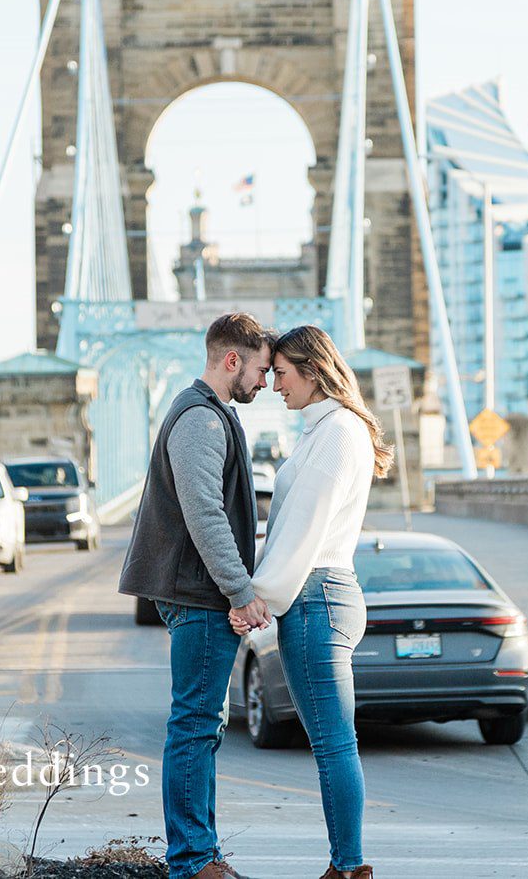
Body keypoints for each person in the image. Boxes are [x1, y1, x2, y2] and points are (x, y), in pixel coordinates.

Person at [118, 312, 276, 879]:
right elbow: (205, 513)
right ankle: (191, 861)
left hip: (200, 592)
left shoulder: (209, 416)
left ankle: (201, 853)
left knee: (203, 726)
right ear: (231, 360)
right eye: (260, 370)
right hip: (200, 594)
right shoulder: (201, 423)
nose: (265, 383)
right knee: (193, 725)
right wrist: (239, 591)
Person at [232, 325, 392, 879]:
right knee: (329, 742)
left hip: (318, 594)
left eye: (280, 372)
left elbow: (305, 525)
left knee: (333, 743)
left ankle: (348, 867)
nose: (273, 384)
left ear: (313, 371)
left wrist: (258, 598)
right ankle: (343, 864)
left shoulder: (338, 432)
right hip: (315, 594)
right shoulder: (322, 430)